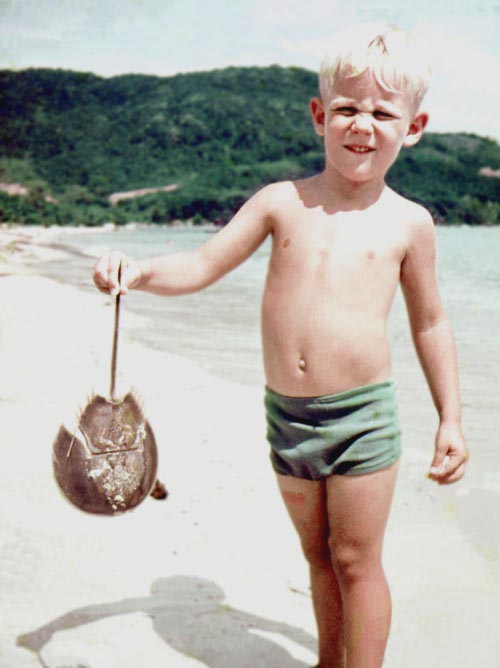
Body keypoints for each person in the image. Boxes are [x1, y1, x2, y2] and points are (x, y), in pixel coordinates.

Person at [93, 22, 468, 668]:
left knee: (357, 560)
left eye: (383, 112)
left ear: (414, 127)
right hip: (286, 417)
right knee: (318, 556)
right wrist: (139, 273)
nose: (362, 124)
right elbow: (203, 264)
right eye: (347, 108)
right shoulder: (281, 203)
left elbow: (430, 322)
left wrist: (451, 417)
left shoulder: (410, 223)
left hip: (362, 420)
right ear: (320, 115)